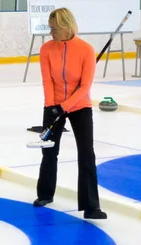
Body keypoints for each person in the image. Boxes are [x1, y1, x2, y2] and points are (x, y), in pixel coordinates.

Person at [33, 7, 107, 220]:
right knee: (49, 151)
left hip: (80, 106)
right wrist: (51, 106)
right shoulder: (47, 49)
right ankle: (45, 194)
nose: (51, 33)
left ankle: (91, 206)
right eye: (50, 28)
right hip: (54, 104)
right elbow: (48, 80)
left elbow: (85, 86)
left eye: (54, 29)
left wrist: (66, 105)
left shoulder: (85, 50)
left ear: (66, 27)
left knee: (86, 153)